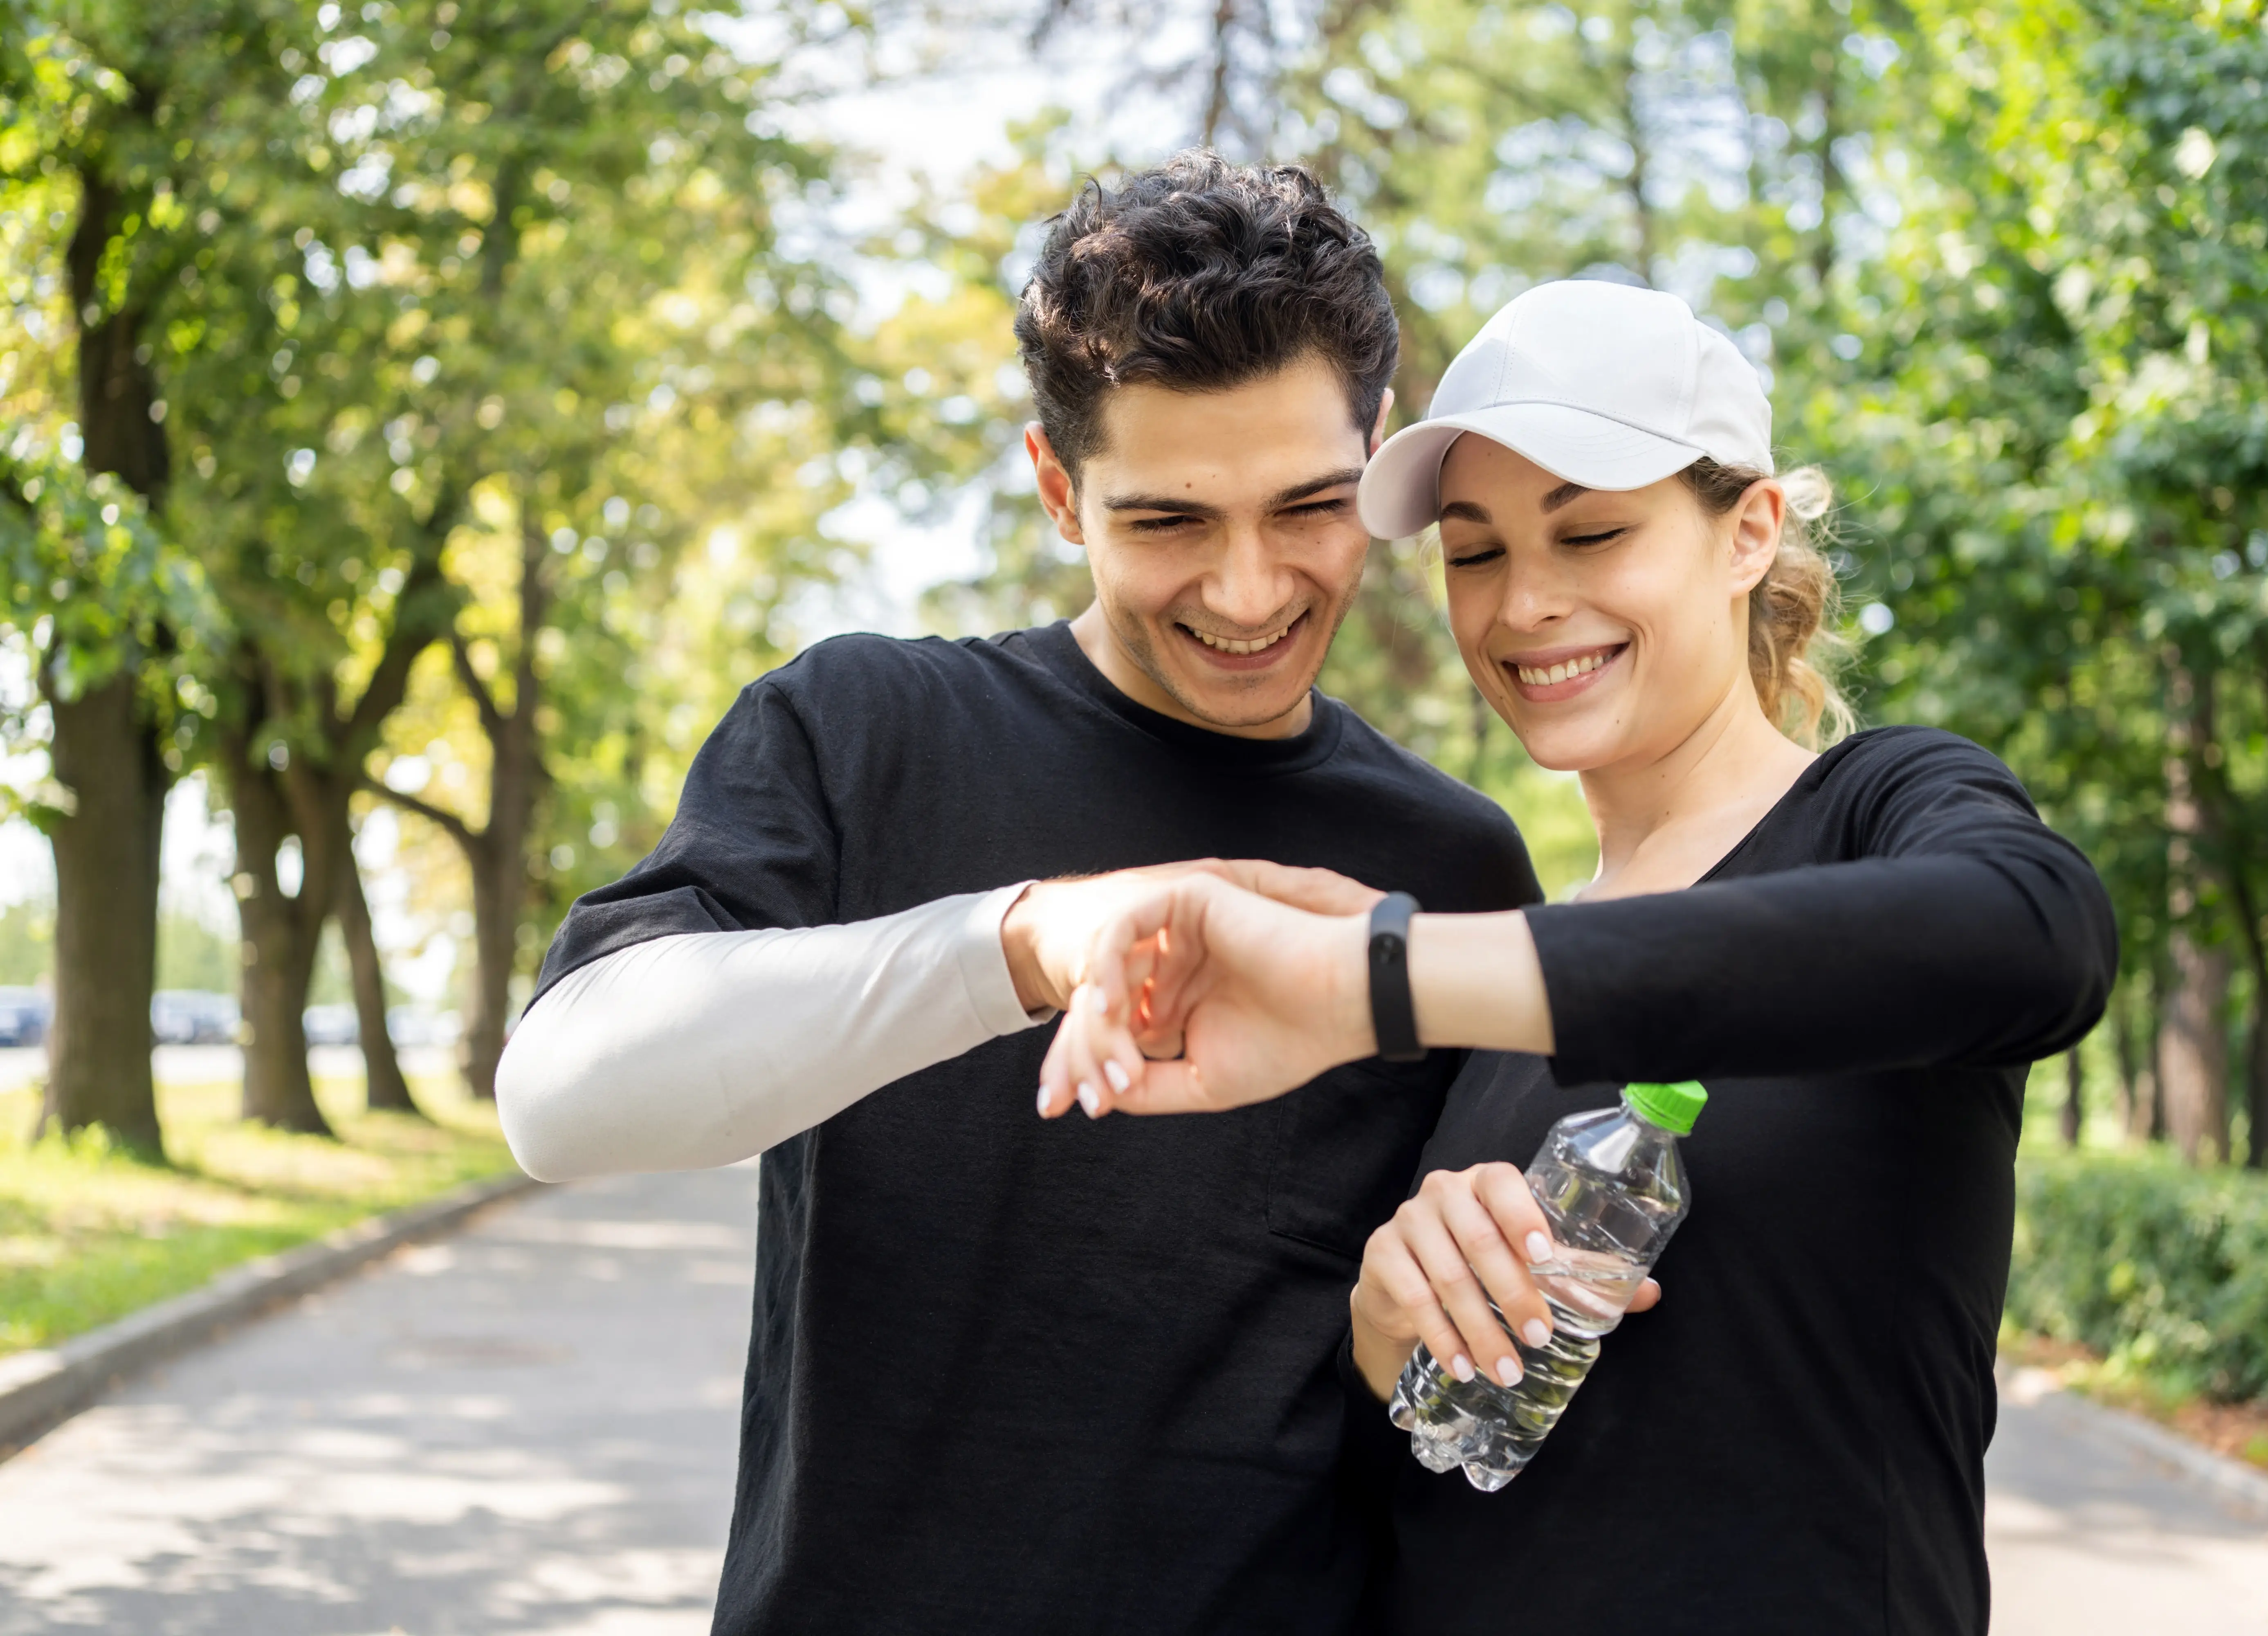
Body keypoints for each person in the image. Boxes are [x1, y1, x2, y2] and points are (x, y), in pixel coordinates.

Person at [495, 155, 1542, 1635]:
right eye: (1170, 521)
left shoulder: (1458, 865)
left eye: (1310, 508)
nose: (1251, 593)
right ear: (1060, 490)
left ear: (1378, 458)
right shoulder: (863, 732)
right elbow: (562, 1099)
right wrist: (1031, 940)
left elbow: (1475, 1393)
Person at [1036, 279, 2120, 1634]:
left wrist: (1372, 975)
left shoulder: (1879, 816)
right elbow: (1435, 1497)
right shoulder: (1510, 978)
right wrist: (1387, 1343)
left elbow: (2039, 934)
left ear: (1750, 532)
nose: (1526, 605)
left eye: (1592, 532)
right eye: (1477, 552)